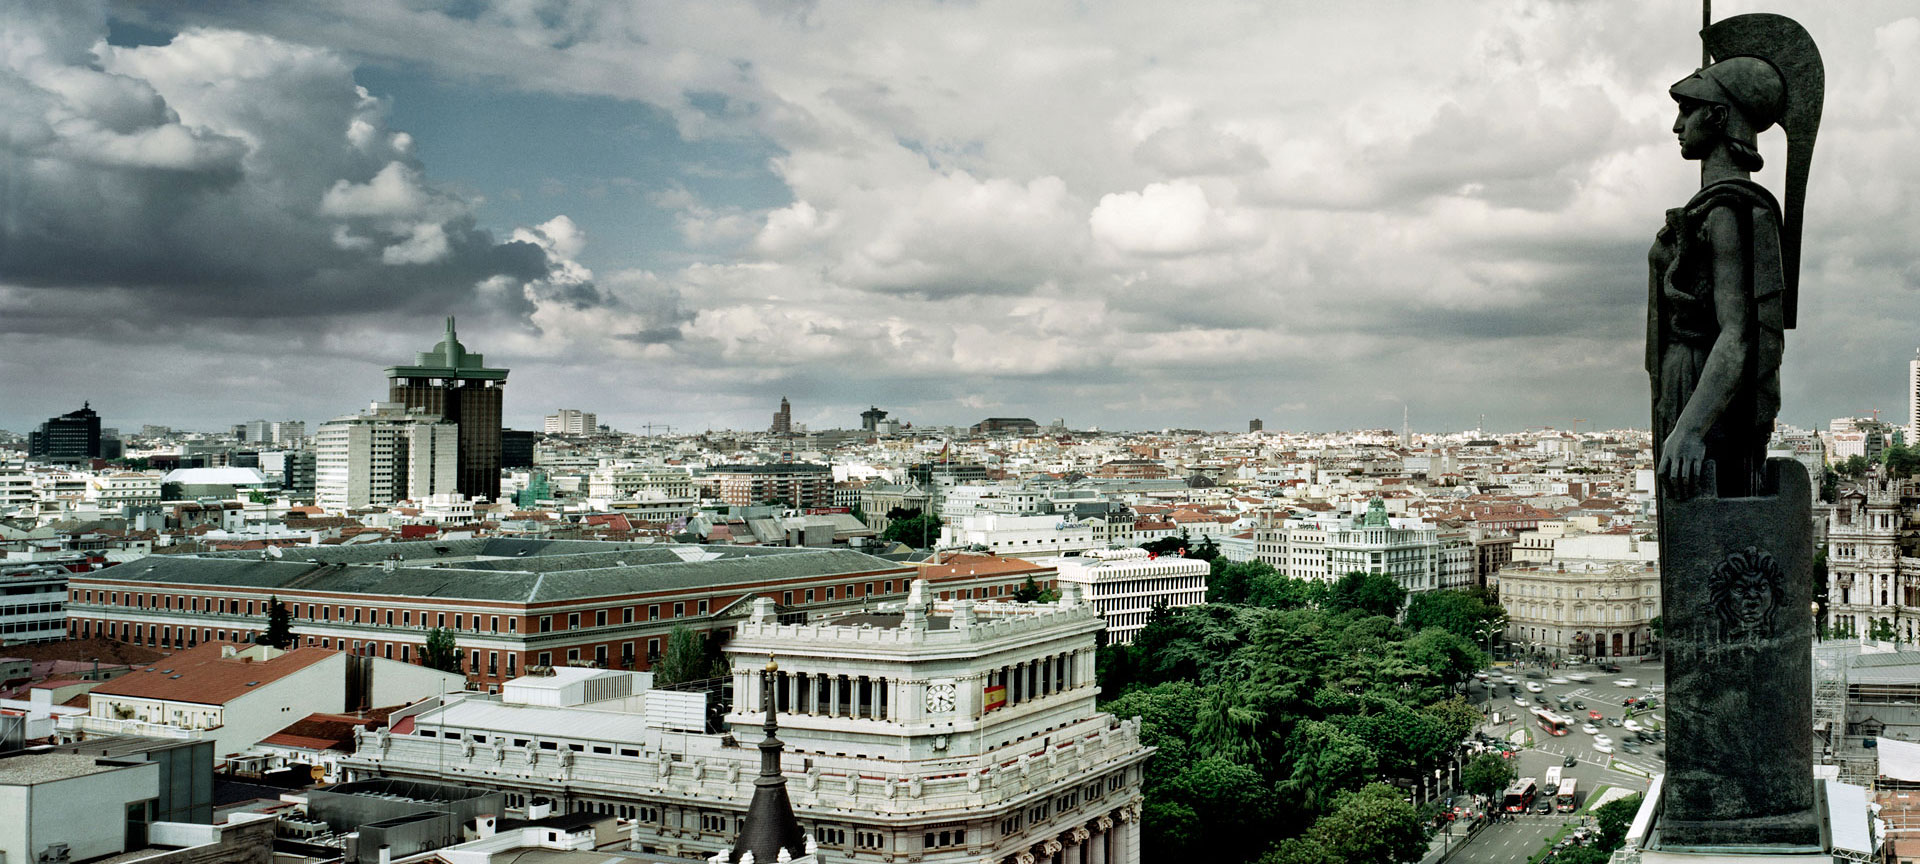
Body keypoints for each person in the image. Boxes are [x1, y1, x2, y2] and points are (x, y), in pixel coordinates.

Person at [1648, 19, 1820, 501]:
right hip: (1695, 388)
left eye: (1689, 110)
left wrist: (1689, 429)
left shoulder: (1728, 210)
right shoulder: (1720, 207)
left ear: (1720, 117)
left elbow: (1738, 332)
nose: (1678, 125)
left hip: (1704, 393)